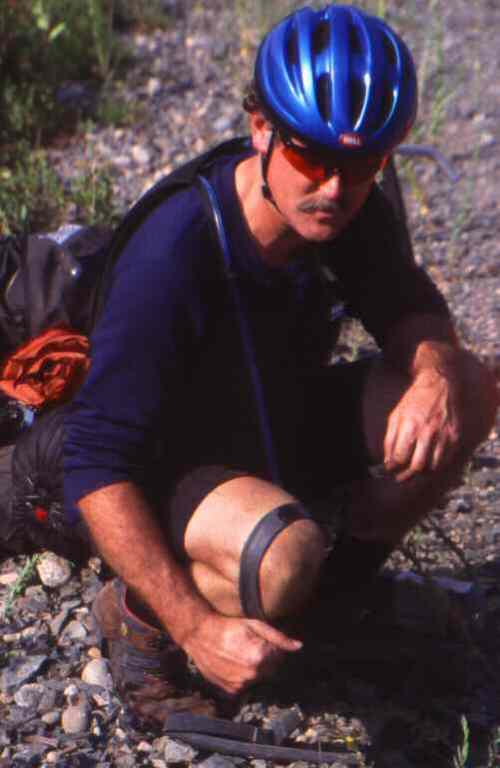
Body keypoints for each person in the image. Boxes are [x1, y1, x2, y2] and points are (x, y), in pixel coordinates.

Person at [64, 4, 497, 727]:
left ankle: (338, 596)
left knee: (470, 392)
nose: (333, 186)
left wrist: (433, 374)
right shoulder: (175, 251)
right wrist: (195, 628)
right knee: (283, 552)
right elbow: (94, 462)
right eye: (311, 156)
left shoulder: (348, 207)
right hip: (164, 468)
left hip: (273, 417)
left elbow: (409, 307)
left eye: (363, 162)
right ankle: (135, 623)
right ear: (261, 128)